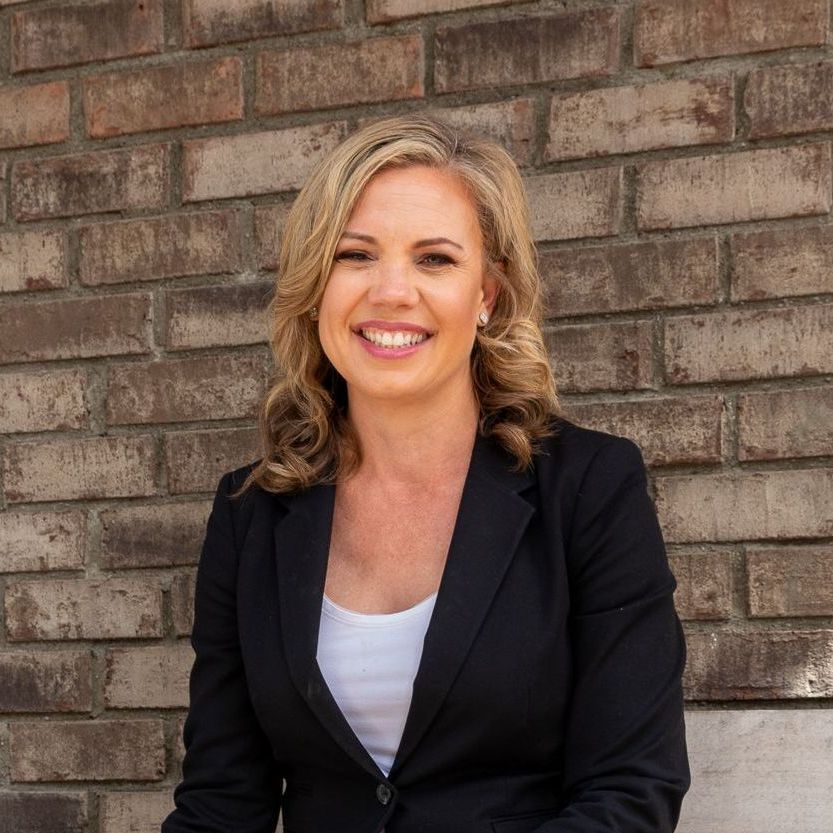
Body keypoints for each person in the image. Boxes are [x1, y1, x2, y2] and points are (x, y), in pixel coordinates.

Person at [161, 114, 689, 833]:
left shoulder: (589, 487)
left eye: (434, 259)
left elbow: (630, 791)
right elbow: (221, 803)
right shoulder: (250, 510)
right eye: (355, 255)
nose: (391, 291)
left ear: (486, 295)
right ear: (316, 288)